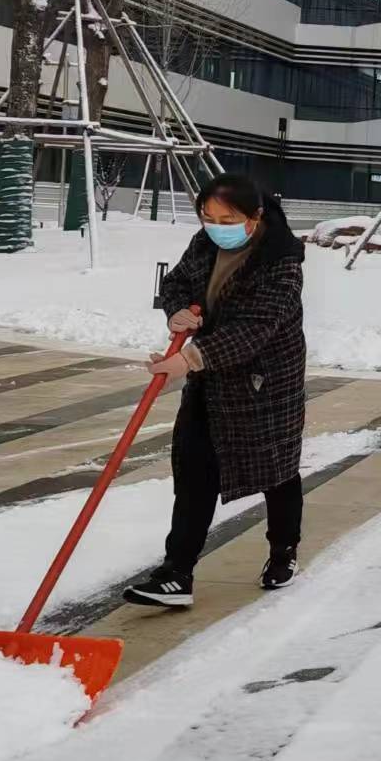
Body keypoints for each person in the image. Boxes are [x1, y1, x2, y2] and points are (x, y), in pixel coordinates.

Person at [124, 175, 307, 608]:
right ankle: (177, 573)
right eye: (208, 217)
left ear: (255, 216)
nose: (216, 227)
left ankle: (283, 551)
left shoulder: (281, 261)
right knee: (194, 470)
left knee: (276, 471)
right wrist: (177, 313)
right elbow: (178, 283)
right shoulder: (205, 244)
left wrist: (188, 358)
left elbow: (254, 329)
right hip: (210, 379)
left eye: (228, 219)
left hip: (264, 382)